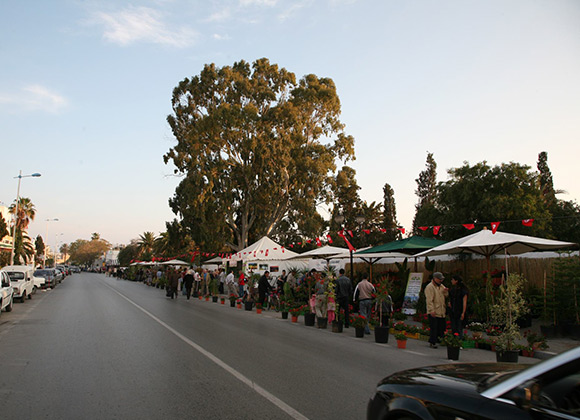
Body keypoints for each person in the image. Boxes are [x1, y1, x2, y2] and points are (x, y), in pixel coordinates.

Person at [424, 272, 449, 348]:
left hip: (441, 310)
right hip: (434, 310)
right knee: (434, 327)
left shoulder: (441, 286)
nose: (441, 281)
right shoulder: (430, 287)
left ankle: (440, 340)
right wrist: (431, 310)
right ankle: (432, 342)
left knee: (441, 327)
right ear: (435, 279)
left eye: (441, 279)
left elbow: (446, 295)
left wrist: (446, 291)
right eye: (439, 279)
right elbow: (429, 300)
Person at [448, 274, 468, 339]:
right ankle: (454, 340)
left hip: (459, 310)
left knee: (459, 327)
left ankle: (459, 340)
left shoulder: (463, 290)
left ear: (456, 281)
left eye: (453, 280)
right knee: (453, 327)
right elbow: (450, 298)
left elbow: (464, 301)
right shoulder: (453, 289)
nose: (451, 281)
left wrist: (463, 312)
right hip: (453, 310)